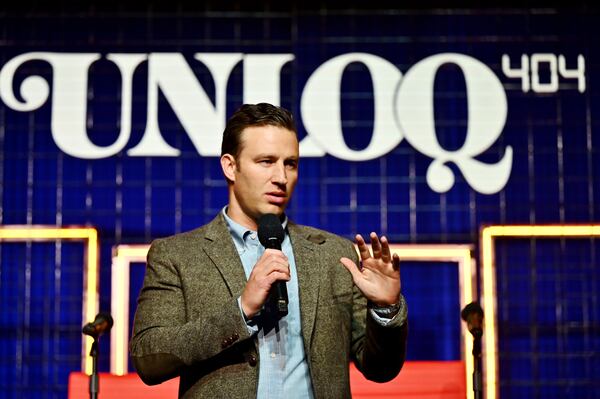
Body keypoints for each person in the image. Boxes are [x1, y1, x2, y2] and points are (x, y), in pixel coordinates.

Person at [130, 103, 408, 398]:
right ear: (230, 166)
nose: (281, 177)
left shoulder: (335, 255)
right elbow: (149, 358)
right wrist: (241, 310)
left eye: (290, 163)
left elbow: (380, 369)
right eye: (266, 161)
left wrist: (385, 310)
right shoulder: (178, 255)